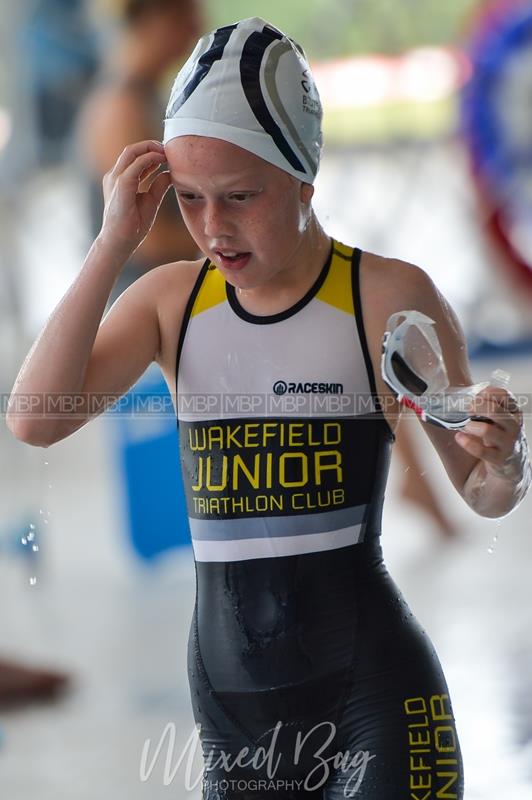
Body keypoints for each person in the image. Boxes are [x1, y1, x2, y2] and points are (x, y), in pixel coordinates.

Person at [7, 17, 531, 799]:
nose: (213, 227)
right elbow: (34, 417)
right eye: (189, 200)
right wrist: (114, 239)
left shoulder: (386, 296)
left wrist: (507, 455)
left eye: (241, 197)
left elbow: (486, 496)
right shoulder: (170, 304)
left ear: (304, 179)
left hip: (377, 699)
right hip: (234, 719)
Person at [76, 0, 203, 305]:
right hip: (138, 310)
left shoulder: (143, 96)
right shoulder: (121, 108)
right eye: (186, 12)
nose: (197, 25)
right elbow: (151, 240)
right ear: (152, 17)